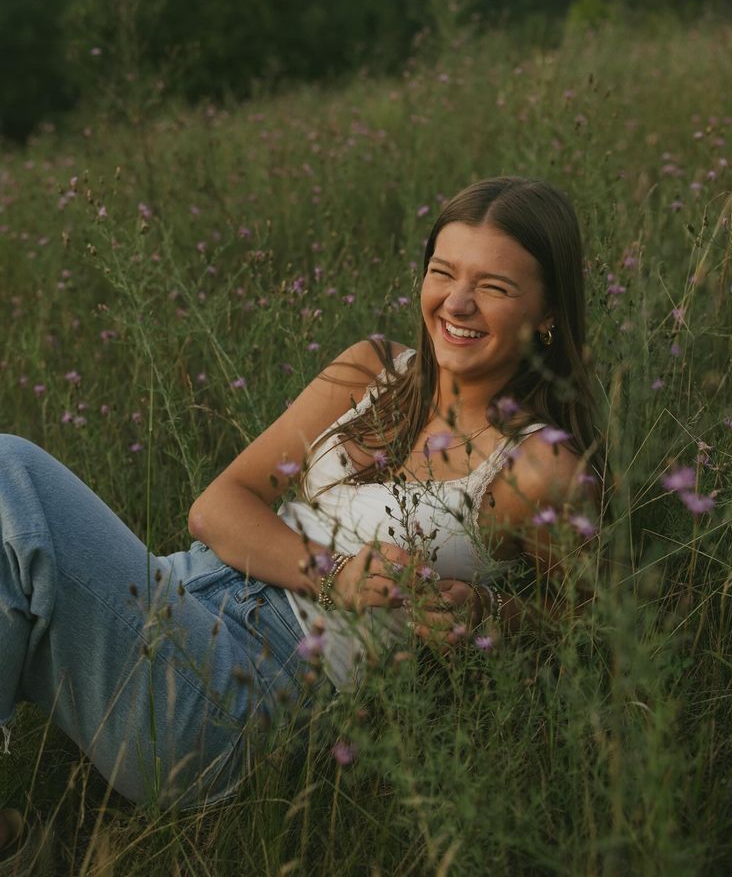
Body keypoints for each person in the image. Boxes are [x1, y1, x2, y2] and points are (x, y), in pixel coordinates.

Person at [0, 176, 601, 866]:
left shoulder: (539, 468)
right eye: (443, 272)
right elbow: (217, 506)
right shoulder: (374, 369)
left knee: (9, 470)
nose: (457, 302)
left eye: (493, 286)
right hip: (178, 591)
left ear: (548, 310)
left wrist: (489, 610)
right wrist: (334, 570)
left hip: (245, 693)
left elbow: (593, 626)